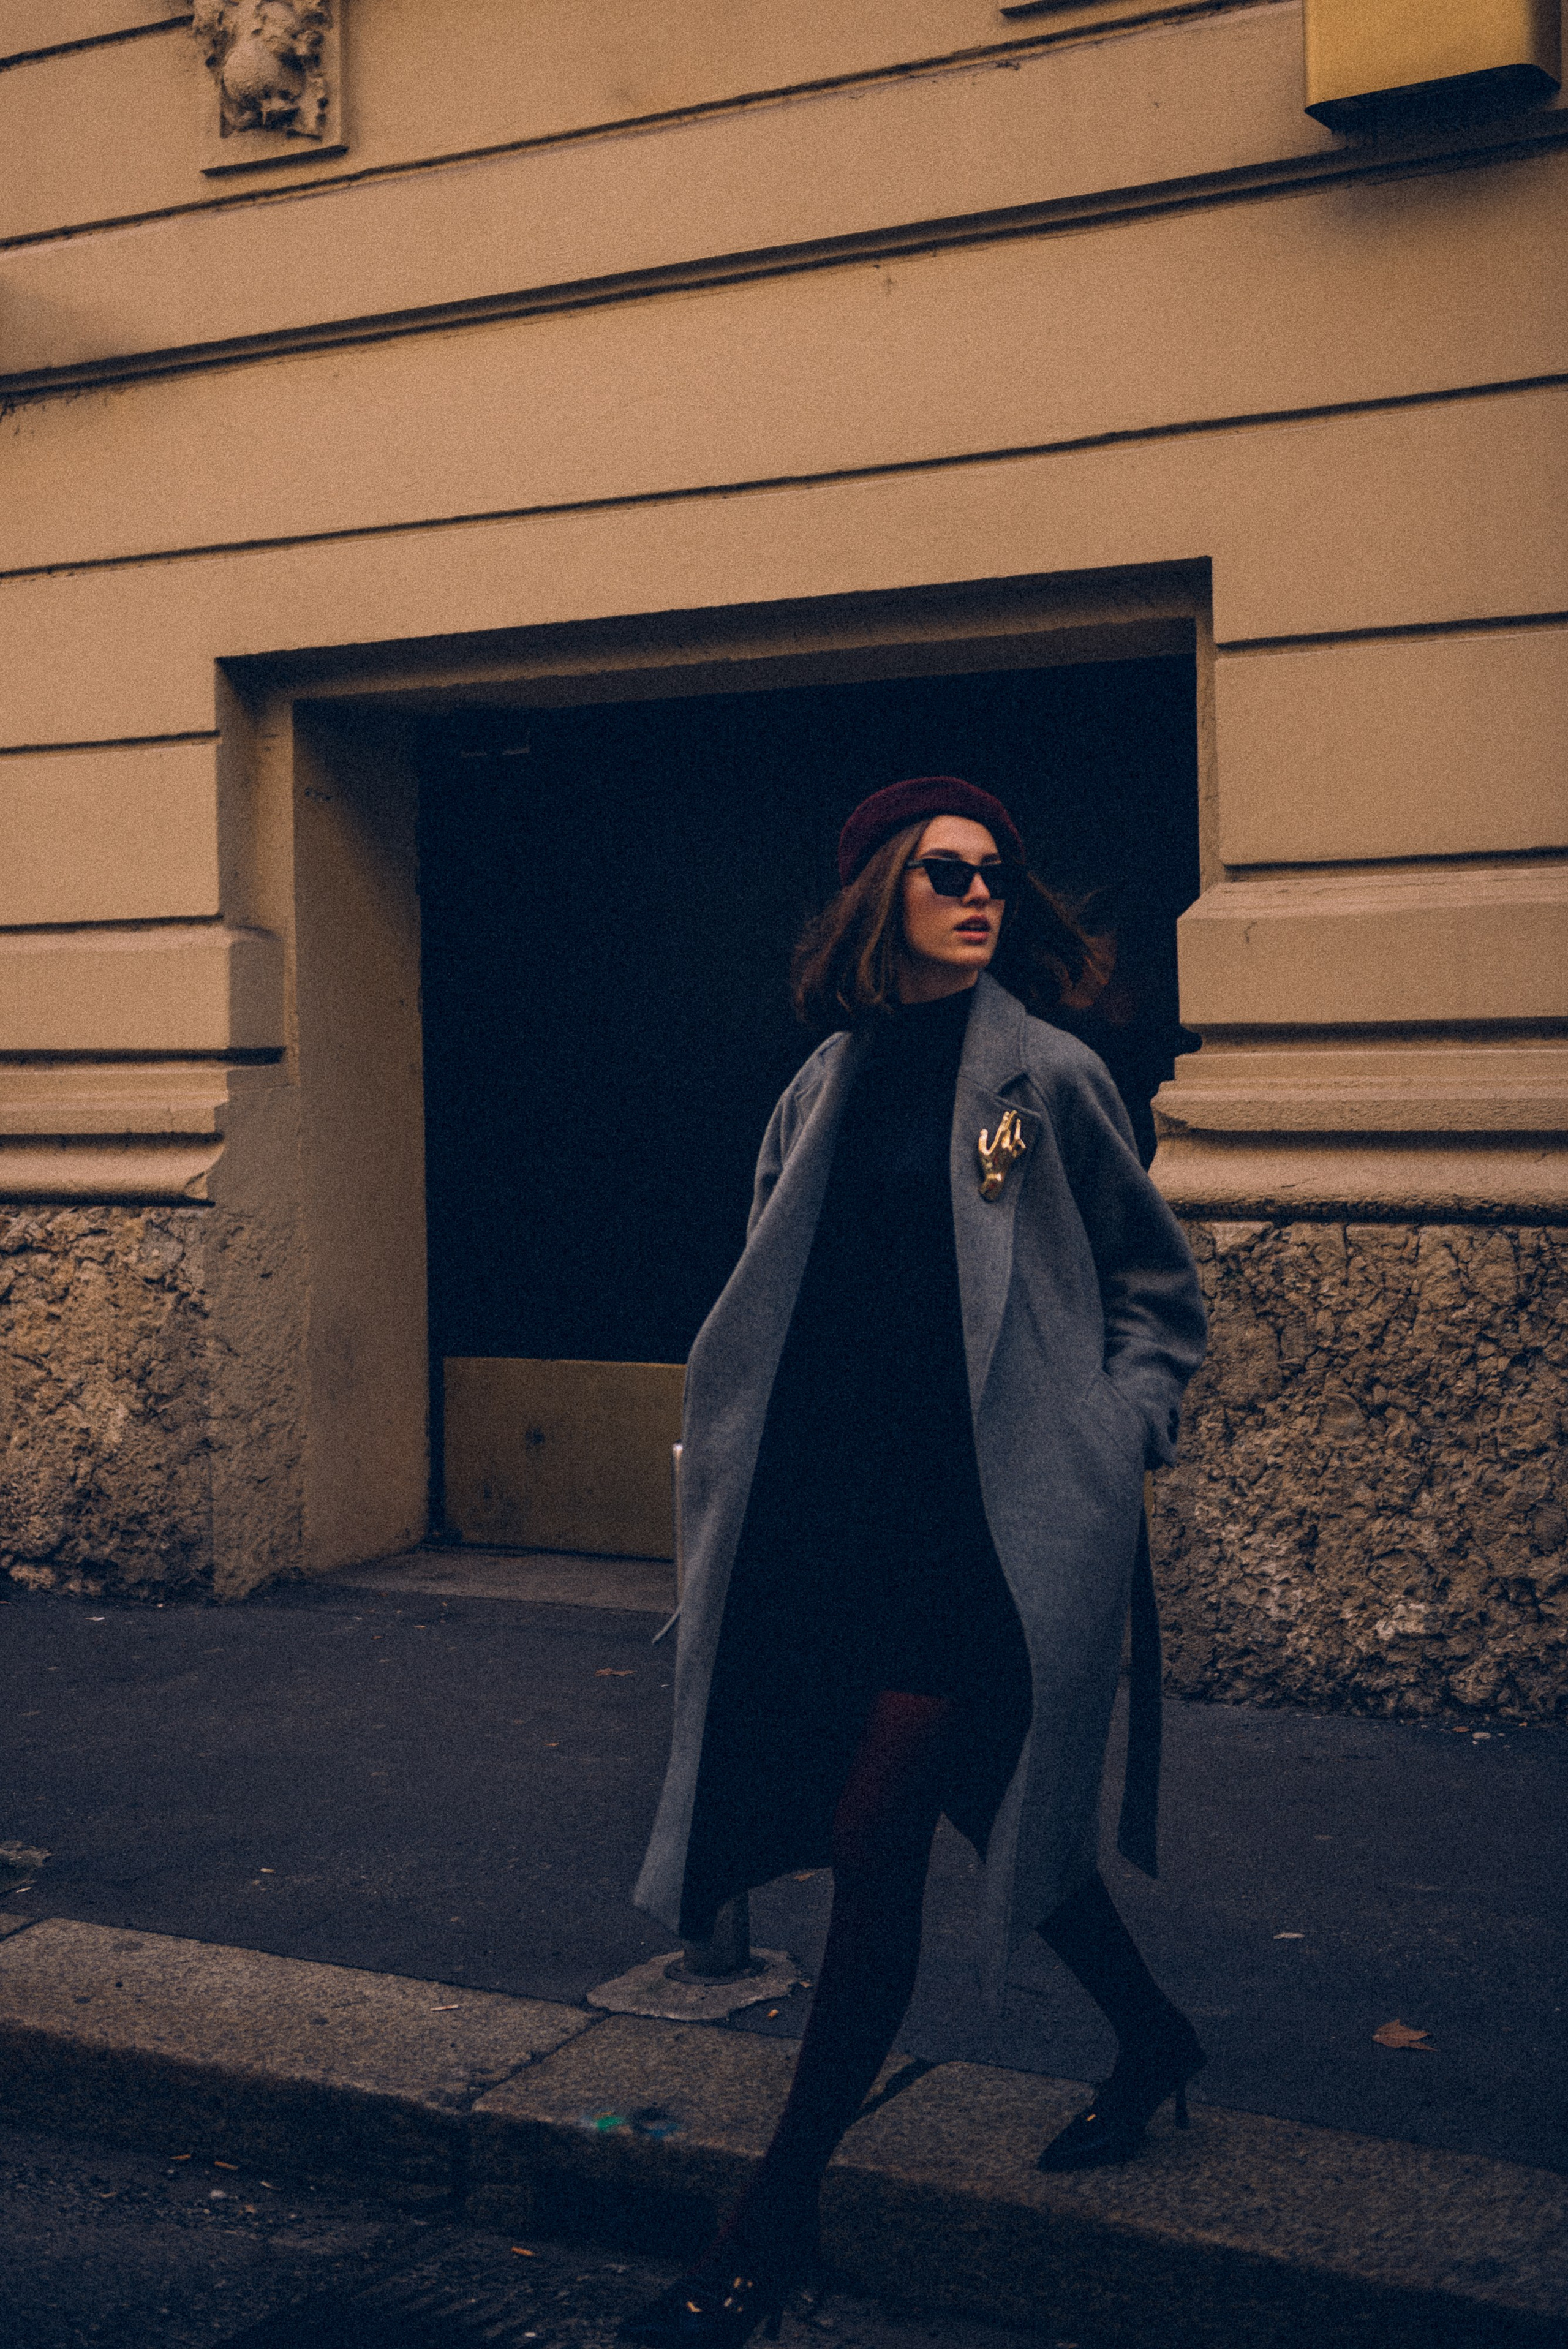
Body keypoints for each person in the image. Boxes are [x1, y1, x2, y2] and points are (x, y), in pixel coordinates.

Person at [622, 779, 1208, 2347]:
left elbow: (1159, 1291)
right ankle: (1151, 2037)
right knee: (969, 1800)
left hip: (988, 1529)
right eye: (946, 872)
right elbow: (775, 1283)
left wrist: (1116, 1434)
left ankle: (773, 2211)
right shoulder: (826, 1078)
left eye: (996, 876)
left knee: (876, 1830)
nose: (977, 895)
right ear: (881, 890)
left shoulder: (1048, 1077)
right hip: (843, 1517)